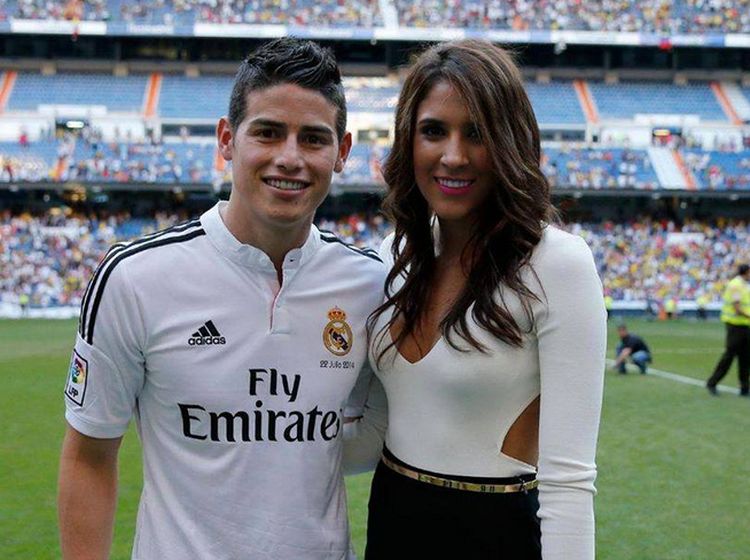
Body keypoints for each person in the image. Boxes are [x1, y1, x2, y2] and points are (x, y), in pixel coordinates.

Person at [58, 38, 386, 560]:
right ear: (227, 140)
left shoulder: (369, 285)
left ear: (342, 152)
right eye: (268, 132)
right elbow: (88, 455)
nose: (290, 158)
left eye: (313, 139)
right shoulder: (135, 278)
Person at [352, 40, 606, 560]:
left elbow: (569, 480)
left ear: (511, 142)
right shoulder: (393, 255)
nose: (453, 156)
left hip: (497, 535)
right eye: (433, 131)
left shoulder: (557, 264)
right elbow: (376, 426)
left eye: (477, 133)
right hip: (392, 521)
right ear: (408, 139)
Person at [706, 264, 750, 397]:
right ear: (746, 272)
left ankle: (745, 388)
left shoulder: (742, 285)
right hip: (735, 326)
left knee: (745, 358)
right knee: (729, 356)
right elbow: (737, 308)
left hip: (744, 325)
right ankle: (712, 382)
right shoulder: (736, 285)